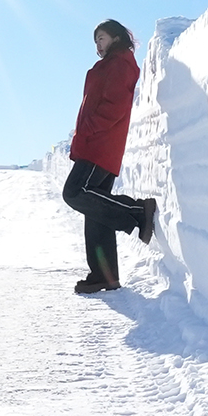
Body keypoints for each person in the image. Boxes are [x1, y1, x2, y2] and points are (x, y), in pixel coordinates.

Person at [60, 18, 156, 294]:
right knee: (96, 212)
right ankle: (105, 276)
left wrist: (87, 130)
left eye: (101, 38)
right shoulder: (111, 64)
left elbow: (114, 106)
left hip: (99, 145)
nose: (98, 45)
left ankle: (137, 211)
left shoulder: (119, 64)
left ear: (116, 37)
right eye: (95, 41)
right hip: (97, 144)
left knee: (74, 193)